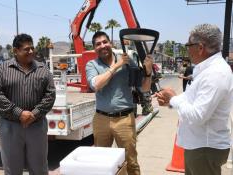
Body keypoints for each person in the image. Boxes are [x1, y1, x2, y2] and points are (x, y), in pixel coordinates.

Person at [155, 24, 233, 175]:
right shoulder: (206, 70)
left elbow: (198, 116)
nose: (187, 49)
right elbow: (192, 97)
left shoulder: (215, 73)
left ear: (200, 47)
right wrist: (171, 101)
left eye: (188, 45)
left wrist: (173, 99)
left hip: (205, 148)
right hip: (199, 146)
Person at [86, 31, 153, 175]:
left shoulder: (127, 61)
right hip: (101, 119)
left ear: (110, 43)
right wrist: (117, 66)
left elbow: (144, 87)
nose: (102, 46)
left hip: (124, 119)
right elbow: (96, 85)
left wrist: (148, 72)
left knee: (131, 162)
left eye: (105, 42)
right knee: (101, 162)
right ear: (94, 48)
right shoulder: (92, 65)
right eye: (98, 44)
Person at [0, 34, 56, 175]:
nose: (31, 51)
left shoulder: (43, 69)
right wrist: (19, 113)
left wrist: (34, 114)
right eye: (26, 49)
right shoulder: (2, 69)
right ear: (15, 51)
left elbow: (50, 95)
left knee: (39, 169)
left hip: (36, 126)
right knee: (12, 169)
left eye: (32, 48)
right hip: (10, 126)